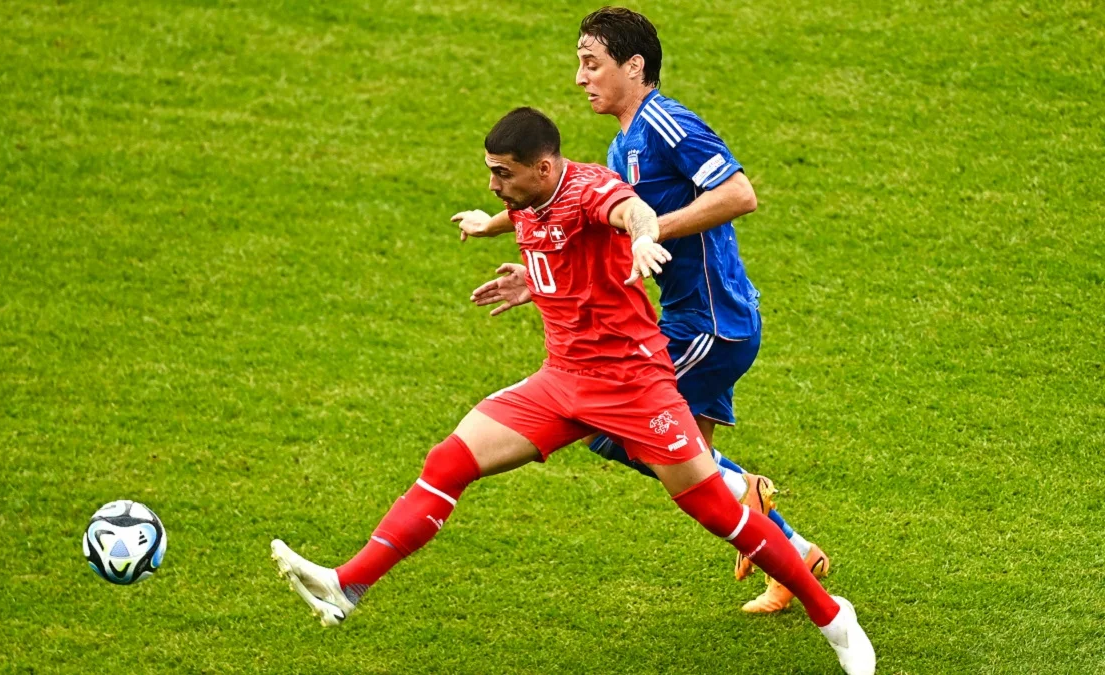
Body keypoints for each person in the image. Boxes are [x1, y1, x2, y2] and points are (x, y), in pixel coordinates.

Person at [272, 108, 874, 674]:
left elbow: (629, 209)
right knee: (449, 459)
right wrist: (496, 235)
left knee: (716, 508)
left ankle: (833, 617)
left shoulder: (589, 192)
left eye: (502, 174)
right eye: (489, 173)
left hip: (634, 386)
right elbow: (534, 222)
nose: (493, 186)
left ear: (544, 167)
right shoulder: (530, 198)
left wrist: (643, 235)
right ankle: (348, 583)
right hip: (561, 382)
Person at [456, 6, 828, 614]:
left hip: (711, 321)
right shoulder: (623, 140)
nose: (580, 77)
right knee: (687, 468)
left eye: (590, 62)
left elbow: (739, 194)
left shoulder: (667, 123)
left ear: (634, 66)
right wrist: (523, 256)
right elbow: (582, 210)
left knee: (622, 434)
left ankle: (752, 495)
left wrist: (652, 232)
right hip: (686, 318)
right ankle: (792, 558)